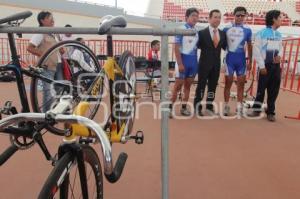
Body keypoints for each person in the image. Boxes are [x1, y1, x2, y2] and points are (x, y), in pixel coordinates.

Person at [249, 10, 283, 122]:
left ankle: (271, 112)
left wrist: (280, 56)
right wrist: (262, 66)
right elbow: (256, 50)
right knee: (261, 89)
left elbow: (281, 48)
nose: (281, 20)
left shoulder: (279, 34)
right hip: (265, 66)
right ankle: (257, 109)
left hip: (276, 67)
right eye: (280, 18)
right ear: (274, 19)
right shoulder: (262, 33)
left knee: (274, 90)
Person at [27, 11, 63, 112]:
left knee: (60, 89)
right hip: (47, 66)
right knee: (48, 92)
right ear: (42, 21)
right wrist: (44, 55)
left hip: (59, 65)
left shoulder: (55, 33)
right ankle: (46, 116)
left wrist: (61, 49)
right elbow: (30, 48)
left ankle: (56, 111)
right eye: (49, 17)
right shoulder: (40, 33)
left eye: (52, 17)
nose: (52, 19)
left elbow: (60, 49)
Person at [194, 9, 227, 116]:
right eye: (215, 17)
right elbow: (197, 46)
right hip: (204, 64)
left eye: (219, 17)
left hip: (216, 65)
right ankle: (197, 107)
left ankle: (209, 106)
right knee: (201, 86)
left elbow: (225, 48)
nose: (217, 19)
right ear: (209, 19)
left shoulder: (222, 34)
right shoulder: (201, 33)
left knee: (212, 87)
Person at [169, 7, 199, 118]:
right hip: (182, 62)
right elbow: (176, 47)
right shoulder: (181, 29)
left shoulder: (196, 31)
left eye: (197, 16)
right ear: (186, 17)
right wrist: (180, 64)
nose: (195, 18)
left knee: (188, 87)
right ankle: (169, 108)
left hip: (192, 63)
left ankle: (184, 108)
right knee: (177, 86)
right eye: (193, 16)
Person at [223, 6, 253, 116]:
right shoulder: (226, 28)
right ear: (234, 15)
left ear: (245, 16)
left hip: (241, 62)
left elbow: (250, 46)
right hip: (229, 60)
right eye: (238, 15)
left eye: (242, 15)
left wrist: (250, 61)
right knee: (228, 84)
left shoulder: (248, 30)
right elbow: (222, 44)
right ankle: (226, 106)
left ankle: (239, 107)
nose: (240, 17)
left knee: (241, 85)